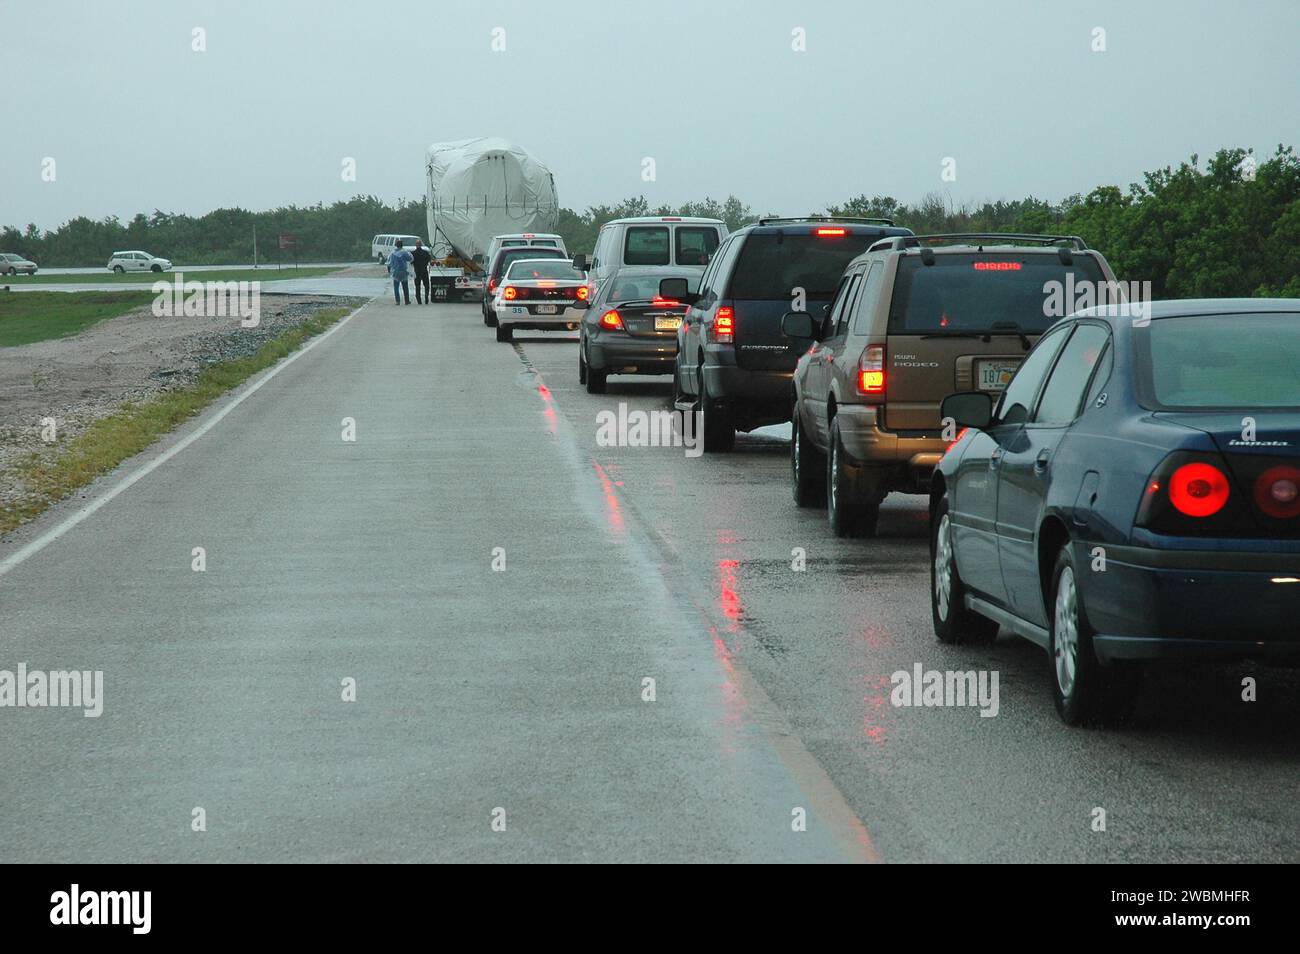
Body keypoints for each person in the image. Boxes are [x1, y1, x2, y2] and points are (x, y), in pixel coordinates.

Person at [388, 239, 413, 305]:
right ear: (402, 245)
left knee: (396, 287)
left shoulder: (393, 253)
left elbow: (390, 263)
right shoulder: (404, 252)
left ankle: (397, 301)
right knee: (405, 287)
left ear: (396, 245)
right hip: (403, 271)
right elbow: (410, 259)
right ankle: (407, 301)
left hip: (396, 271)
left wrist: (390, 271)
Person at [411, 239, 433, 304]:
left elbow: (411, 262)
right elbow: (429, 259)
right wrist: (425, 264)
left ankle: (419, 300)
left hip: (417, 272)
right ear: (421, 245)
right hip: (424, 271)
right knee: (426, 285)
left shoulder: (413, 253)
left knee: (417, 286)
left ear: (416, 245)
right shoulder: (425, 252)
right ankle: (426, 296)